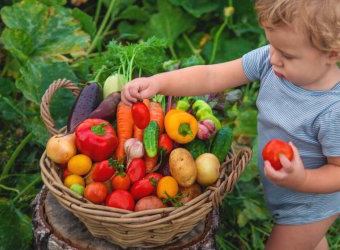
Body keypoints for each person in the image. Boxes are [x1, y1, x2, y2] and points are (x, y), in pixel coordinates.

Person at [121, 0, 340, 249]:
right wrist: (159, 83)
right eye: (272, 45)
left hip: (309, 205)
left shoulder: (333, 111)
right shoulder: (270, 62)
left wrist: (301, 180)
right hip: (285, 189)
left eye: (287, 55)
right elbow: (211, 76)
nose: (274, 58)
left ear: (331, 54)